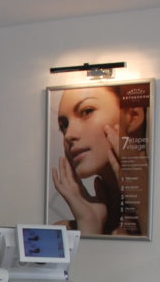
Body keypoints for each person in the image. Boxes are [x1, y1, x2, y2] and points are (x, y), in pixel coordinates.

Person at [51, 84, 149, 236]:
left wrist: (144, 205)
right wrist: (89, 224)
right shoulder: (64, 232)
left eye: (86, 111)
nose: (69, 134)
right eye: (64, 125)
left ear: (133, 116)